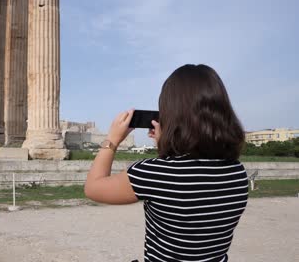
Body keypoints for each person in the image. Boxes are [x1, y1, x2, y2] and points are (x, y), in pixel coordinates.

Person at [85, 64, 247, 262]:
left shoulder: (155, 173)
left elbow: (93, 188)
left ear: (171, 113)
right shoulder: (237, 172)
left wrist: (111, 140)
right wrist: (166, 144)